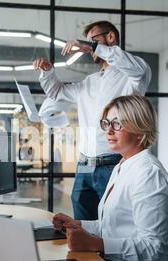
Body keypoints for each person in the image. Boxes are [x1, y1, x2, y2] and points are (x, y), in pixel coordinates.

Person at [52, 95, 168, 261]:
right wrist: (77, 225)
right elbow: (111, 227)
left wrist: (94, 243)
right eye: (107, 123)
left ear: (140, 129)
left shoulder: (148, 173)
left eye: (117, 123)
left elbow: (153, 248)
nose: (108, 130)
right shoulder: (122, 165)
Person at [33, 21, 151, 220]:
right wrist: (47, 73)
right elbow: (57, 92)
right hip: (85, 165)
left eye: (93, 40)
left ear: (110, 37)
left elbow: (138, 69)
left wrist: (97, 47)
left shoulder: (132, 76)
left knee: (113, 223)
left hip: (113, 163)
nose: (87, 47)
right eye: (89, 43)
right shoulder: (89, 82)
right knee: (83, 226)